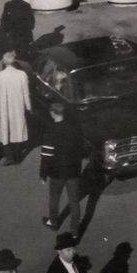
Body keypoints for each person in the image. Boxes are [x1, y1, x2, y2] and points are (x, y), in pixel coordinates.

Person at [39, 101, 86, 235]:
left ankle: (53, 222)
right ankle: (74, 230)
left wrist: (43, 173)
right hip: (73, 170)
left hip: (57, 172)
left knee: (55, 197)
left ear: (52, 113)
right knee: (74, 200)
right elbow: (81, 147)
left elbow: (46, 155)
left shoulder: (51, 130)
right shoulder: (75, 128)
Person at [0, 50, 33, 164]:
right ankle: (17, 154)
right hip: (18, 106)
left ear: (4, 62)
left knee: (5, 130)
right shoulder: (22, 74)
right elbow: (26, 93)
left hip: (5, 107)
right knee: (18, 129)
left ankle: (9, 156)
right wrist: (28, 106)